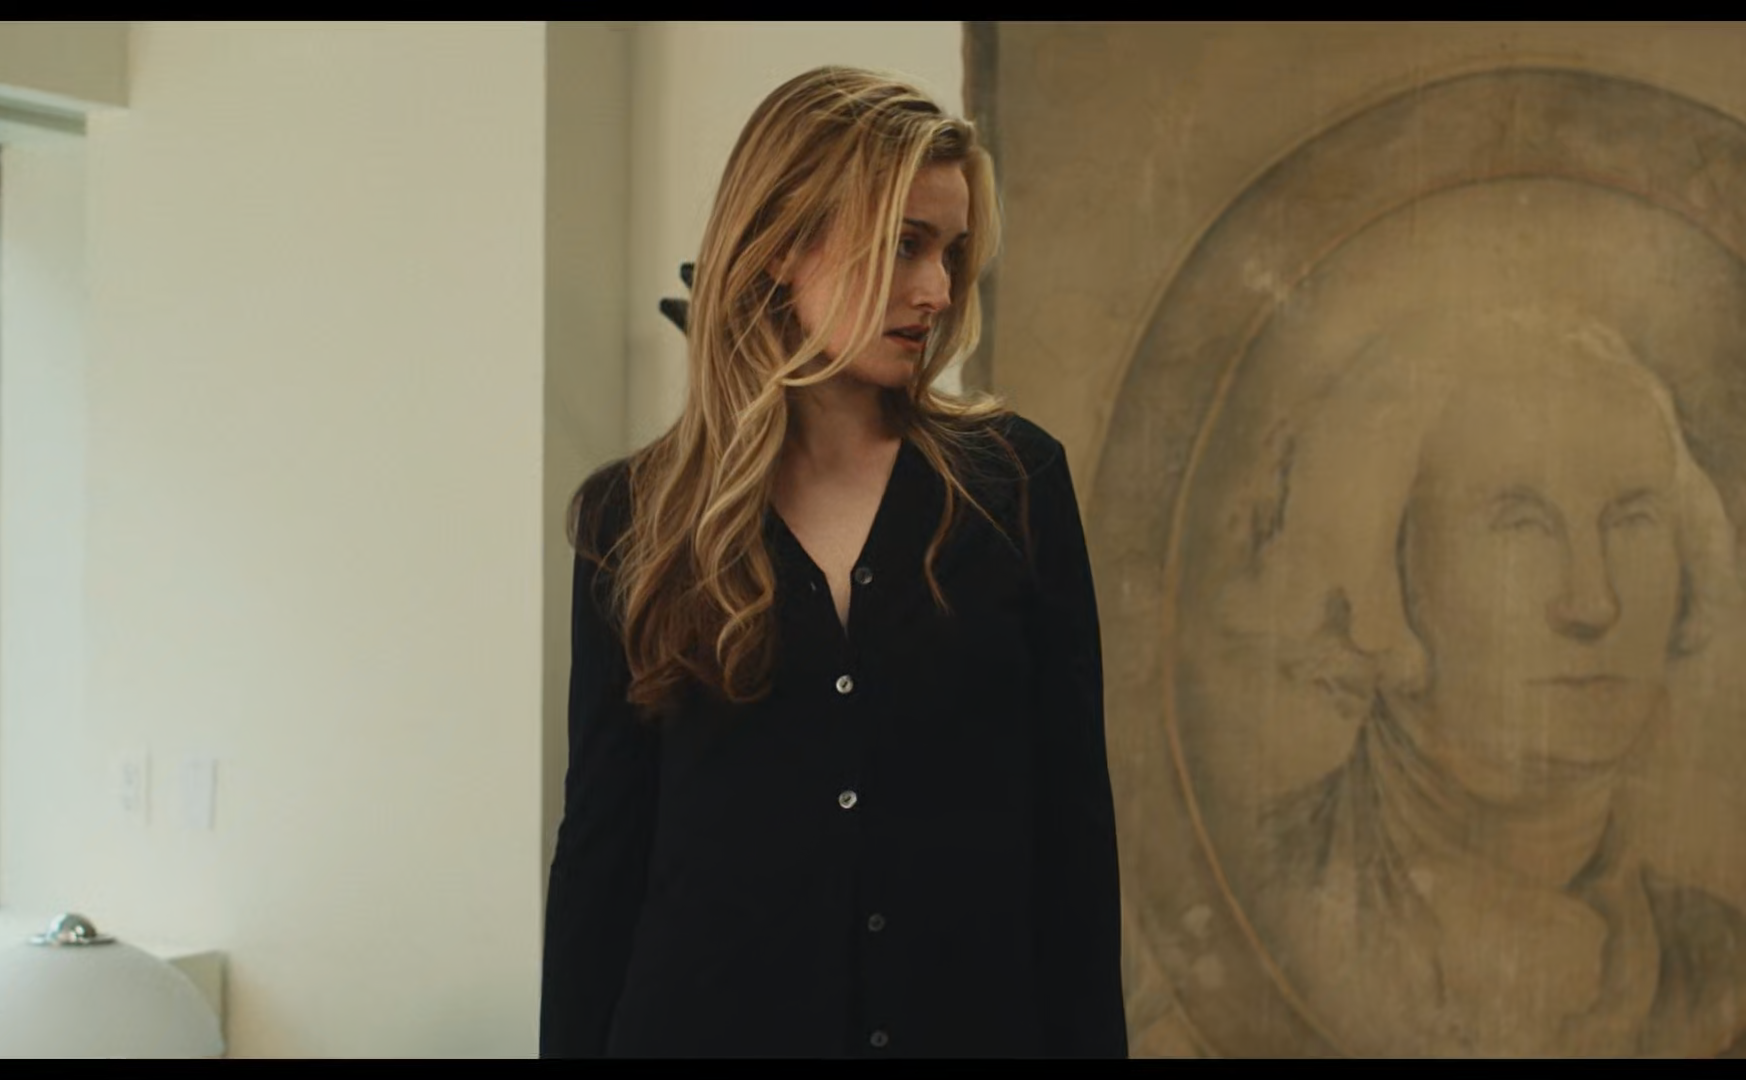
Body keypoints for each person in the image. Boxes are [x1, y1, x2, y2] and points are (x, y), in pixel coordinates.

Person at [538, 66, 1127, 1059]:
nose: (938, 290)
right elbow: (602, 854)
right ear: (780, 247)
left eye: (951, 252)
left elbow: (1073, 839)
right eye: (903, 244)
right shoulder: (633, 519)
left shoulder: (1016, 486)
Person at [1227, 305, 1746, 1057]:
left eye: (1632, 521)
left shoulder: (1719, 960)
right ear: (1384, 565)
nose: (1593, 603)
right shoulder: (1256, 901)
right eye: (1521, 524)